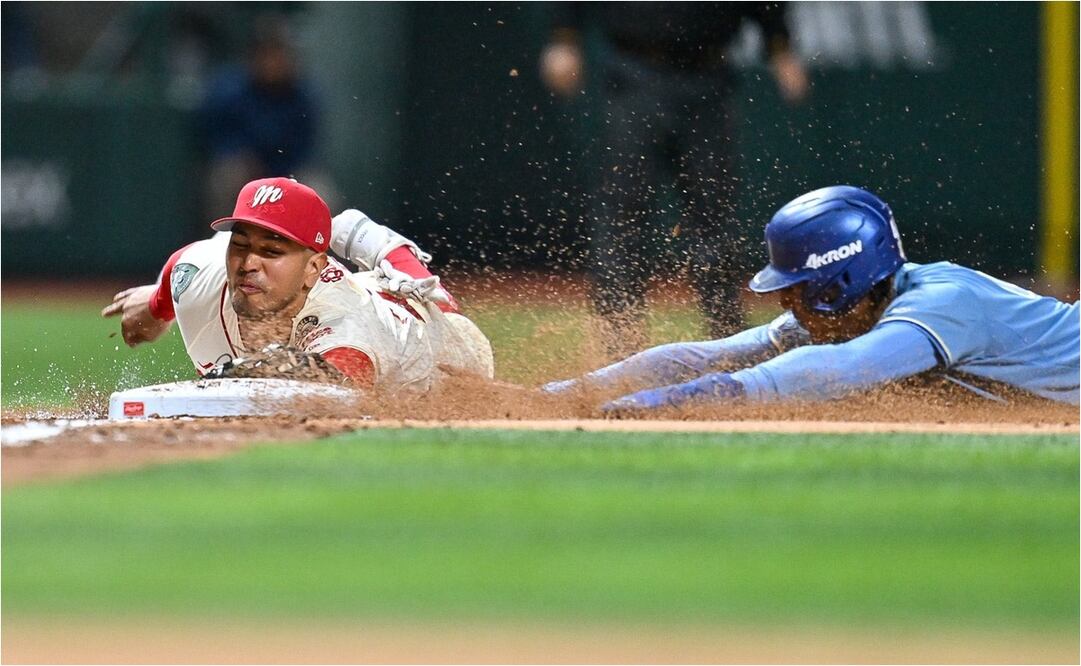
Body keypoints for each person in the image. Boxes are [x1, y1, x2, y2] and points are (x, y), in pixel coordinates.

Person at [543, 185, 1081, 410]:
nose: (785, 304)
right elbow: (713, 355)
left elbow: (843, 369)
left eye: (796, 288)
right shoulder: (859, 310)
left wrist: (677, 400)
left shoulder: (941, 305)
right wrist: (563, 394)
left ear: (839, 281)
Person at [540, 3, 809, 354]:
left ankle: (728, 341)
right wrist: (564, 38)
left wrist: (780, 46)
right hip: (635, 73)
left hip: (710, 78)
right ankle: (618, 343)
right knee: (623, 215)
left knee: (715, 219)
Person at [103, 177, 493, 392]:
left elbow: (335, 384)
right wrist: (156, 308)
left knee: (435, 310)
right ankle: (343, 232)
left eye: (272, 251)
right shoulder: (202, 271)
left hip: (437, 342)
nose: (248, 264)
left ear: (313, 268)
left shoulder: (346, 327)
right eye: (240, 244)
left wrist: (260, 370)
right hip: (342, 291)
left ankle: (404, 267)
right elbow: (181, 267)